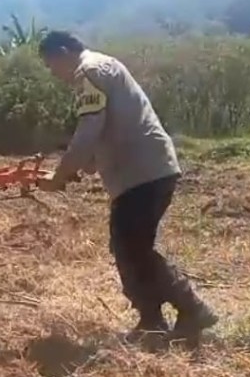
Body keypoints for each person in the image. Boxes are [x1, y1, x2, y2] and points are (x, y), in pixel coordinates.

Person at [34, 29, 218, 344]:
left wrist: (59, 176)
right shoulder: (104, 67)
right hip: (146, 168)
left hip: (142, 171)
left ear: (63, 52)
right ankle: (155, 319)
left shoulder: (89, 72)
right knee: (130, 248)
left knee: (133, 248)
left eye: (51, 65)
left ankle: (189, 308)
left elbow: (88, 131)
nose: (54, 73)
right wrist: (87, 166)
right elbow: (108, 130)